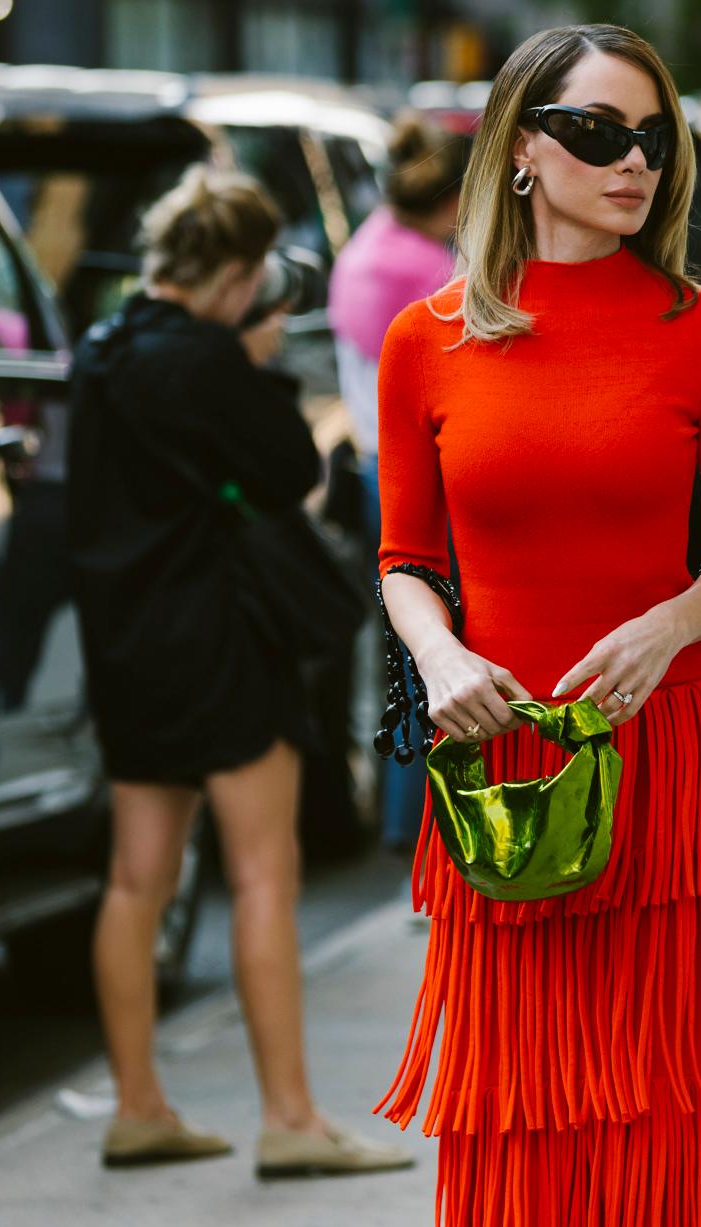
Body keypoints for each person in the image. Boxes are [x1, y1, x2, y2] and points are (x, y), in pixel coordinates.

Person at [371, 23, 701, 1227]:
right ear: (523, 148)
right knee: (525, 1118)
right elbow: (405, 563)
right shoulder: (427, 340)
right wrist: (444, 654)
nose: (635, 163)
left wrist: (670, 626)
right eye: (599, 132)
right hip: (505, 761)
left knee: (685, 1106)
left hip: (669, 769)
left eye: (655, 139)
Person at [68, 165, 412, 1178]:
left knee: (137, 879)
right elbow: (286, 471)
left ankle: (138, 1105)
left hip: (126, 645)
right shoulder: (209, 360)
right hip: (220, 638)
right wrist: (259, 360)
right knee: (264, 875)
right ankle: (293, 1119)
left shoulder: (103, 351)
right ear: (234, 272)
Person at [328, 112, 466, 850]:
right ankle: (427, 828)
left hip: (379, 463)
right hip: (424, 470)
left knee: (408, 652)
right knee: (441, 654)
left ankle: (403, 822)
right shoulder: (423, 272)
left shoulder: (363, 251)